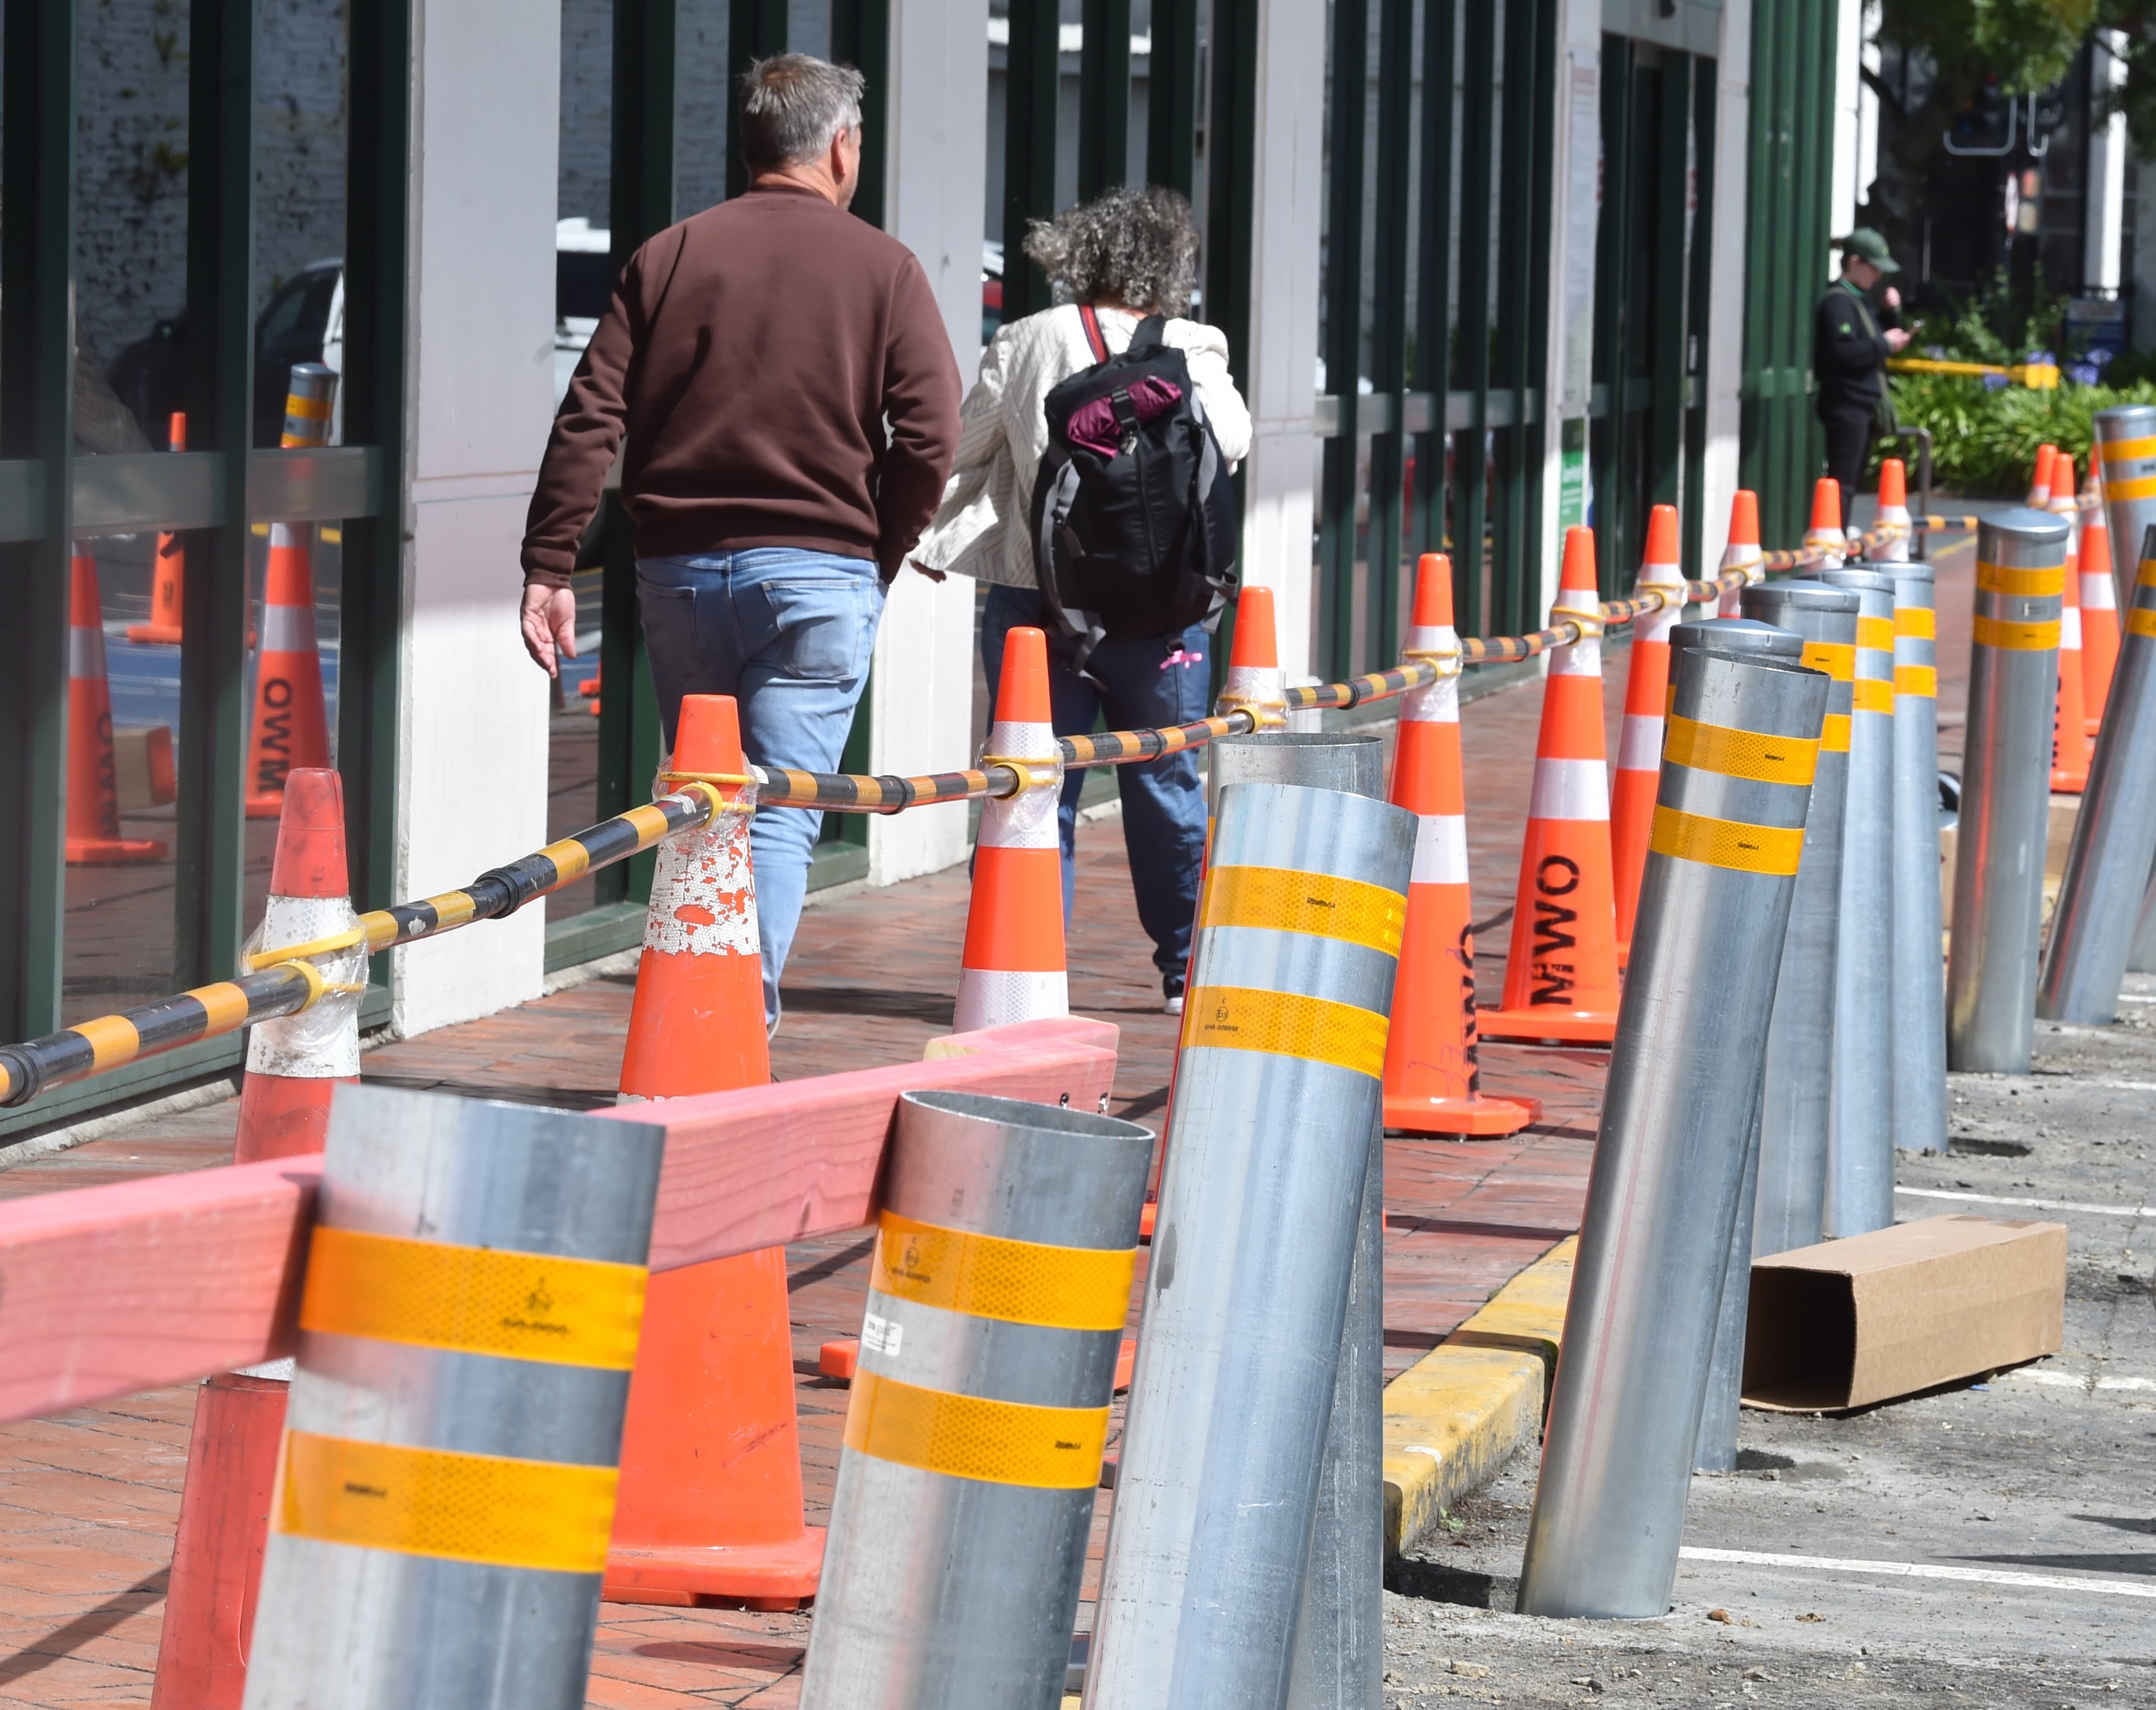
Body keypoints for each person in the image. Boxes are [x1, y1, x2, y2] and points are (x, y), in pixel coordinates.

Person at [519, 54, 961, 1029]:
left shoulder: (669, 255)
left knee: (710, 809)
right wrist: (875, 549)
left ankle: (699, 1015)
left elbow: (590, 414)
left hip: (680, 578)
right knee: (779, 821)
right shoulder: (883, 267)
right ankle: (728, 1030)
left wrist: (551, 562)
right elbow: (931, 433)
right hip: (819, 577)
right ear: (841, 148)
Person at [911, 186, 1251, 1015]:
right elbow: (1232, 443)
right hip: (1160, 611)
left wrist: (919, 538)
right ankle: (1181, 969)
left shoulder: (1025, 340)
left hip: (1039, 604)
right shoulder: (1193, 345)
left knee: (1033, 784)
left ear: (1079, 256)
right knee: (1167, 776)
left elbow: (961, 450)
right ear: (1168, 267)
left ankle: (1035, 966)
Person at [1814, 227, 1912, 506]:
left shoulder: (1859, 301)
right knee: (1842, 482)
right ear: (1854, 262)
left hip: (1861, 403)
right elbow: (1844, 352)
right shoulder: (1838, 301)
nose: (1879, 276)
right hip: (1847, 403)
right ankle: (1836, 542)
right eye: (1874, 268)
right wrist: (1883, 344)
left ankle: (1840, 539)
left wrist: (1890, 314)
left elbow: (1871, 341)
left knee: (1850, 481)